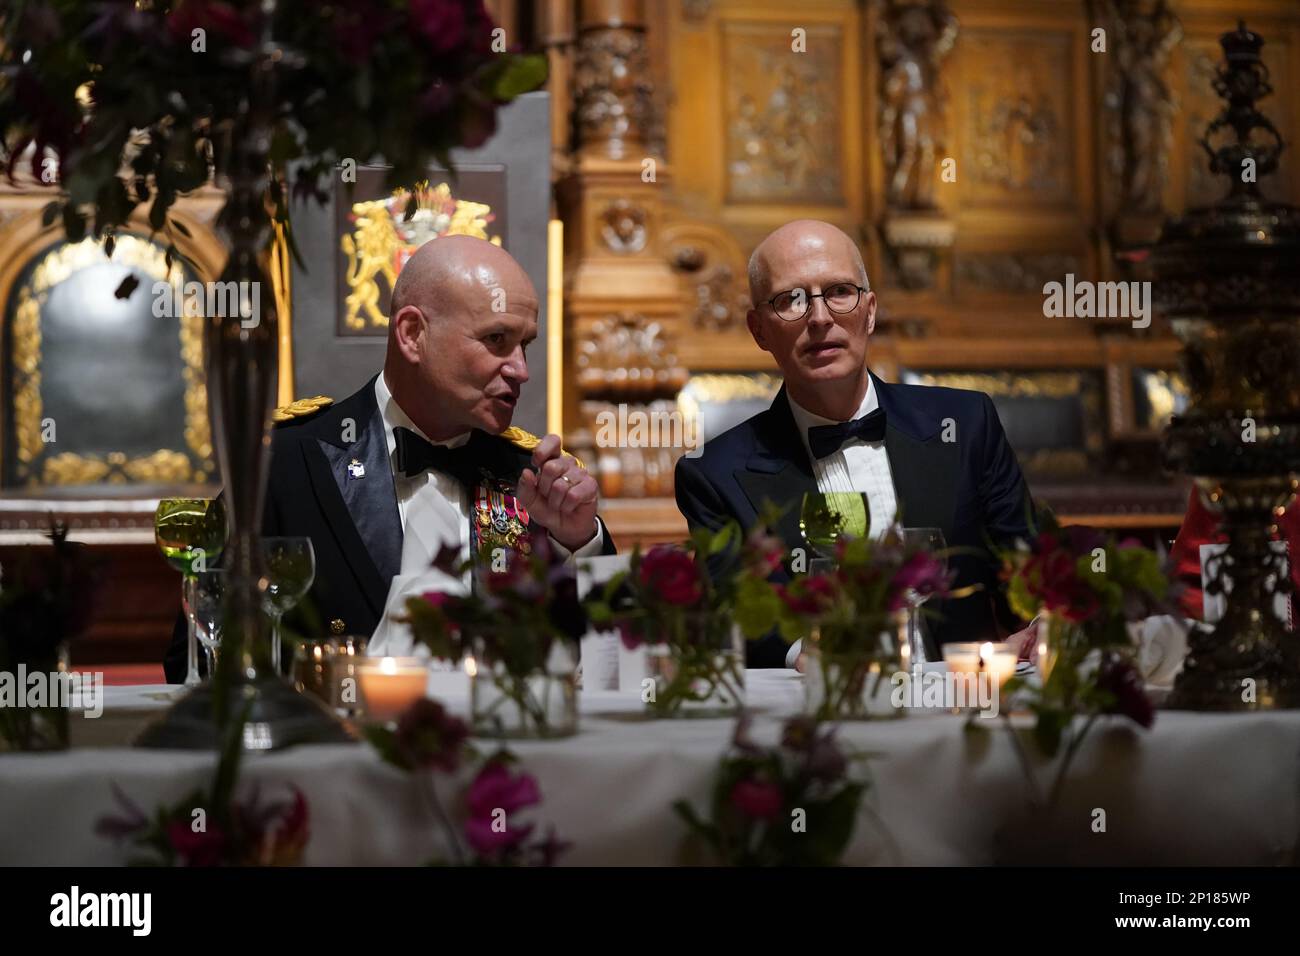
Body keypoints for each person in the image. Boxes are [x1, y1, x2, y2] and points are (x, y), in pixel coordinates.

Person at [164, 236, 614, 681]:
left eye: (525, 344)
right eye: (496, 339)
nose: (521, 369)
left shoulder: (533, 476)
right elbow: (197, 654)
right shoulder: (287, 463)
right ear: (413, 334)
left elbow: (606, 660)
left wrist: (578, 541)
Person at [674, 219, 1036, 668]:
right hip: (824, 712)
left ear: (869, 311)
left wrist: (1041, 625)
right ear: (759, 330)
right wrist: (806, 656)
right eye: (791, 300)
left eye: (840, 292)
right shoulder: (714, 475)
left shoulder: (966, 423)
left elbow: (1025, 569)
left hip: (966, 703)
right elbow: (744, 614)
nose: (820, 317)